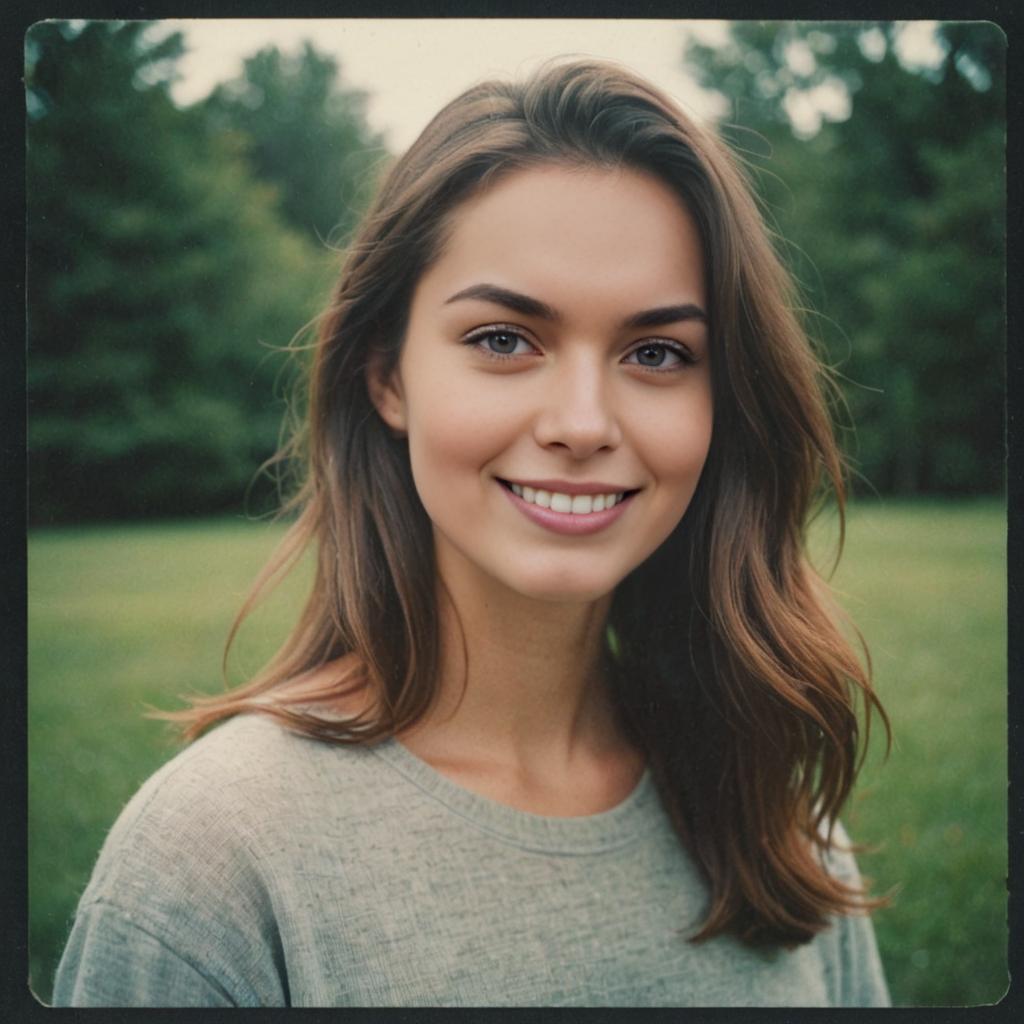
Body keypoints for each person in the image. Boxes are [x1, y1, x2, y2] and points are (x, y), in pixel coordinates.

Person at [52, 58, 890, 1007]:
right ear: (388, 377)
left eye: (656, 353)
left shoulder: (775, 810)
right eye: (504, 339)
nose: (583, 422)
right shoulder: (215, 856)